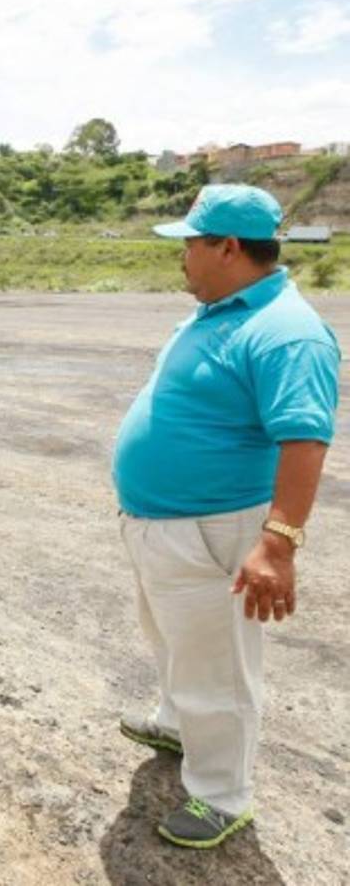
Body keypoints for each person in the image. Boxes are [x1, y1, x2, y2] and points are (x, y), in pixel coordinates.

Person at [112, 184, 340, 848]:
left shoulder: (287, 332)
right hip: (161, 523)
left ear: (228, 247)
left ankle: (220, 795)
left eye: (189, 244)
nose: (180, 257)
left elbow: (304, 439)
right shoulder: (214, 310)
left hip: (214, 530)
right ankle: (179, 725)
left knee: (219, 668)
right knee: (174, 640)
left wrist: (277, 544)